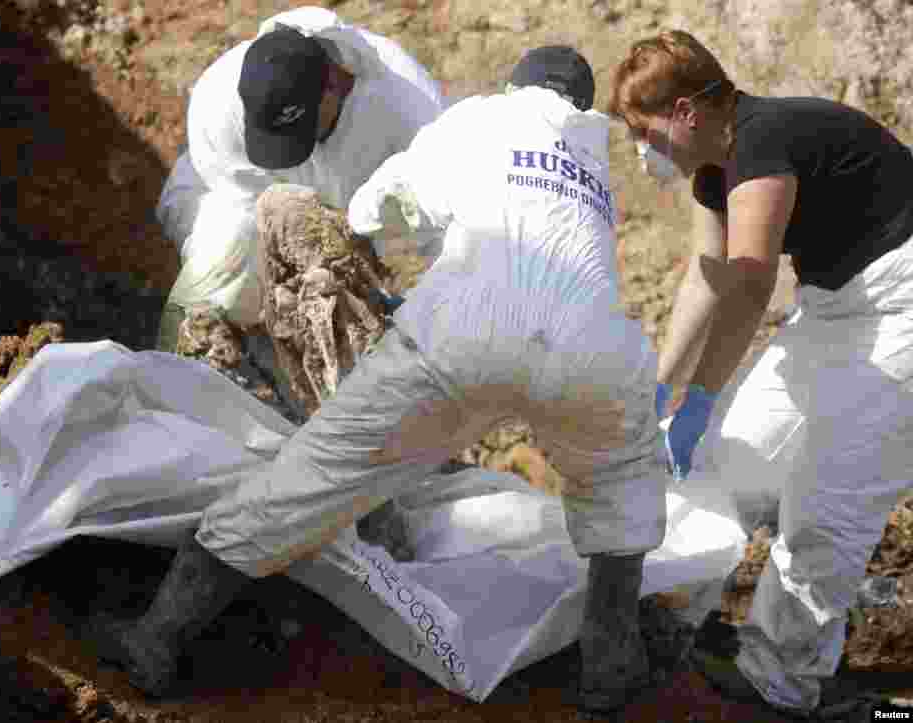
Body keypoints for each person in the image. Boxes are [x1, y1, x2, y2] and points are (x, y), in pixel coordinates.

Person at [89, 45, 668, 717]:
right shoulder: (595, 164)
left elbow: (390, 200)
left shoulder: (483, 117)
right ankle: (611, 660)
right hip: (593, 350)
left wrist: (363, 234)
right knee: (623, 480)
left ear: (515, 87)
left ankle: (158, 636)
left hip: (463, 333)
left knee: (311, 478)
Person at [608, 29, 913, 718]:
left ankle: (783, 676)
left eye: (648, 134)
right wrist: (663, 390)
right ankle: (683, 615)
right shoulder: (714, 167)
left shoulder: (763, 143)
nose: (641, 153)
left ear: (688, 112)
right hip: (840, 306)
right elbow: (706, 279)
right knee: (735, 454)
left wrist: (699, 397)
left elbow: (748, 286)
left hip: (905, 303)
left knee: (827, 496)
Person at [152, 5, 442, 352]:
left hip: (356, 215)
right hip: (232, 197)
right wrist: (285, 271)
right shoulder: (218, 101)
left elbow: (444, 226)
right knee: (223, 252)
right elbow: (240, 202)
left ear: (334, 83)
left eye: (304, 129)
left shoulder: (409, 105)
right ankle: (203, 352)